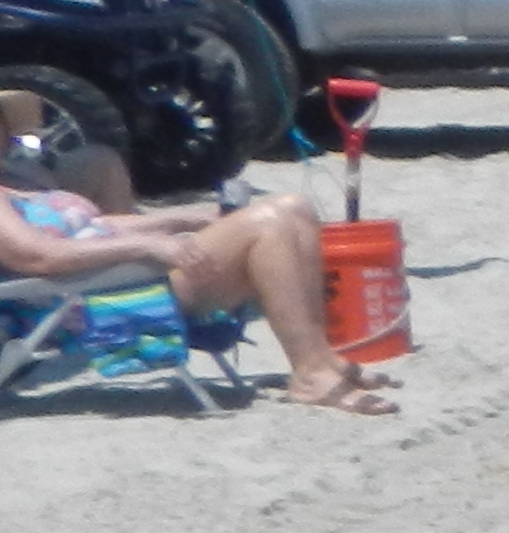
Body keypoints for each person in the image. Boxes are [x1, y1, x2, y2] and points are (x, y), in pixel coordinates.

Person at [0, 139, 389, 415]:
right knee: (270, 223)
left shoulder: (13, 189)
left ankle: (320, 357)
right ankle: (310, 375)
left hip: (120, 276)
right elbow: (38, 257)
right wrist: (148, 247)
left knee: (294, 209)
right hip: (96, 300)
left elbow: (95, 226)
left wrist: (184, 219)